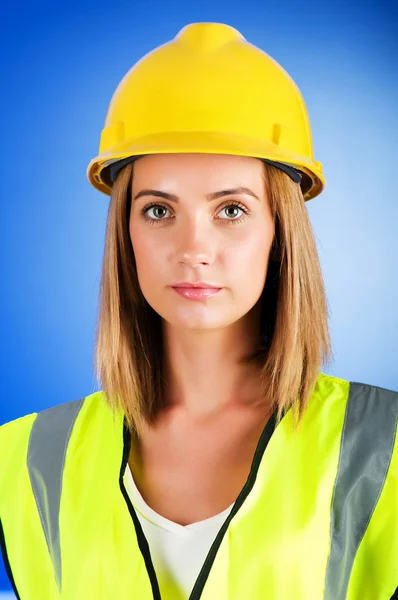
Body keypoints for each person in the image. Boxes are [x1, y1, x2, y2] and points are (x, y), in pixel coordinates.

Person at [0, 21, 397, 600]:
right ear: (125, 234)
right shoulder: (23, 460)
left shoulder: (384, 444)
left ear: (280, 232)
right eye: (159, 211)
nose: (193, 250)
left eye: (231, 210)